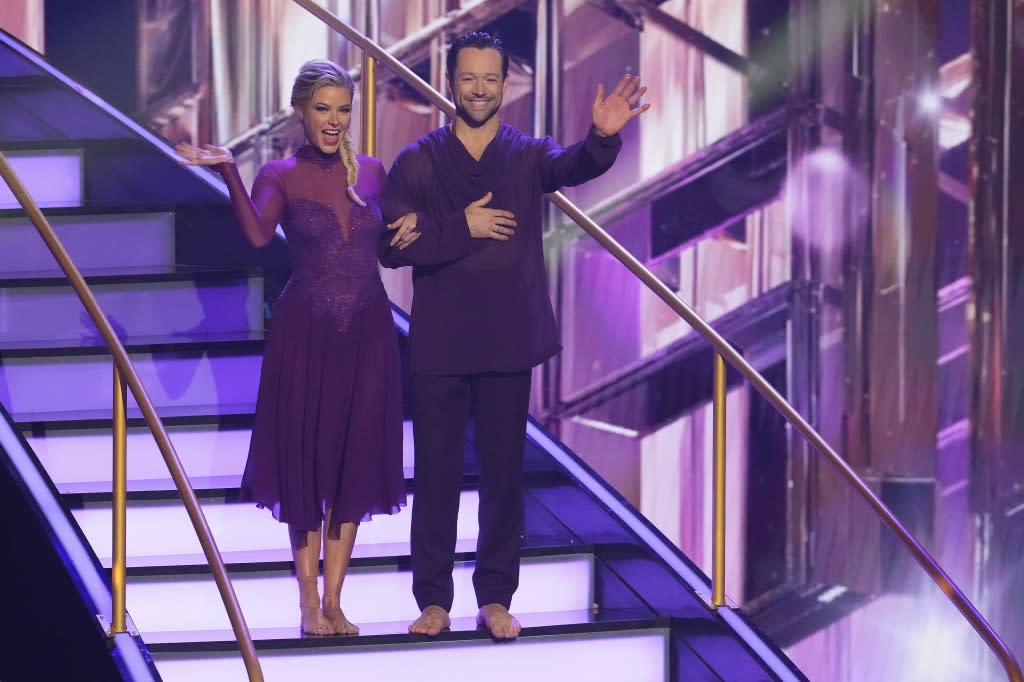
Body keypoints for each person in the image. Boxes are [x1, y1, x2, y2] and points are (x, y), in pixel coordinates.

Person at [378, 31, 649, 639]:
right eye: (468, 77)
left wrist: (604, 136)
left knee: (504, 474)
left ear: (506, 85)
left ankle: (495, 596)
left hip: (507, 338)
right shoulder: (417, 161)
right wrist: (462, 225)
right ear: (450, 82)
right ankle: (433, 600)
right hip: (442, 344)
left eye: (490, 78)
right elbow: (390, 246)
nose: (479, 88)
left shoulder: (527, 155)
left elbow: (575, 164)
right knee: (438, 474)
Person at [177, 60, 416, 636]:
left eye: (343, 111)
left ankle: (336, 600)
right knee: (308, 465)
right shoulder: (280, 174)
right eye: (323, 110)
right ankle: (308, 603)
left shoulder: (376, 172)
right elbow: (259, 235)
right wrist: (233, 170)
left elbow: (383, 250)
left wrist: (409, 236)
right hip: (304, 335)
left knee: (354, 461)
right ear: (301, 112)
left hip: (369, 334)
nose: (334, 122)